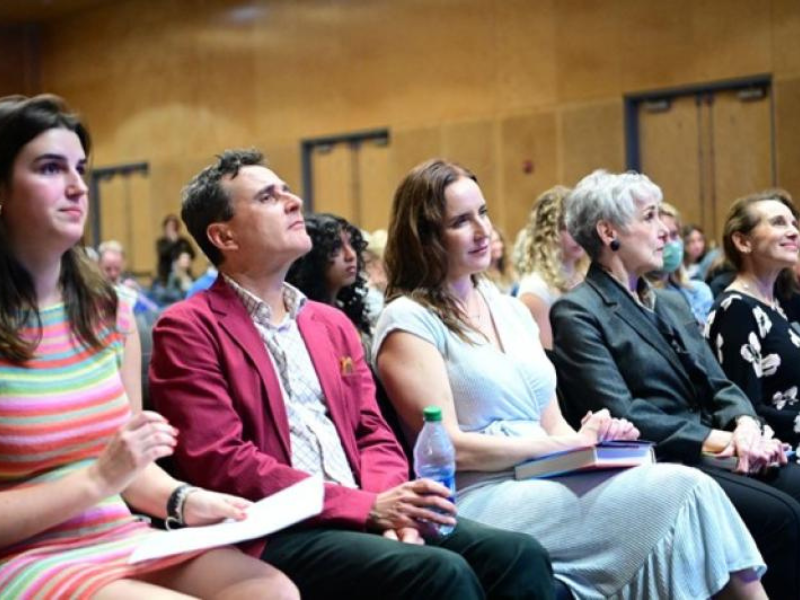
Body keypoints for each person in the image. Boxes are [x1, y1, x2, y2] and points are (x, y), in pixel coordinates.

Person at [148, 149, 556, 600]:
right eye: (268, 197)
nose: (294, 201)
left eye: (286, 190)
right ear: (223, 236)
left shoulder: (330, 323)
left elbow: (373, 432)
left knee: (519, 555)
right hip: (280, 528)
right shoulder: (188, 328)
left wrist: (388, 508)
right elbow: (223, 462)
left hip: (368, 506)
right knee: (441, 574)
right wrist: (366, 508)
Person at [373, 158, 767, 600]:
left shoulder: (509, 309)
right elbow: (450, 447)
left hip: (544, 473)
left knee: (683, 487)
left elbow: (555, 426)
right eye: (461, 221)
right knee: (686, 489)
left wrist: (593, 438)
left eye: (482, 213)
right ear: (425, 236)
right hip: (481, 493)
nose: (483, 230)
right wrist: (562, 446)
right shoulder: (408, 319)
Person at [0, 95, 297, 599]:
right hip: (25, 556)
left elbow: (131, 466)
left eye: (80, 169)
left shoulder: (109, 310)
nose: (76, 187)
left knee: (271, 592)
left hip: (121, 538)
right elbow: (107, 472)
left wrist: (186, 499)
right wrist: (96, 481)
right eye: (50, 168)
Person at [549, 169, 800, 599]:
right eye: (649, 217)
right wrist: (720, 439)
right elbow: (623, 411)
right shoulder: (577, 311)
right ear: (608, 232)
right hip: (665, 459)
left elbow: (719, 383)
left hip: (716, 446)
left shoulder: (669, 299)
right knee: (786, 515)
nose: (665, 230)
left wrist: (743, 425)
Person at [705, 189, 800, 445]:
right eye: (779, 223)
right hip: (774, 452)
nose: (793, 231)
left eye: (794, 223)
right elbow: (747, 411)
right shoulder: (736, 310)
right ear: (743, 242)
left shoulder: (776, 305)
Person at [516, 186, 586, 349]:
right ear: (548, 233)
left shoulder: (584, 275)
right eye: (565, 227)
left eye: (579, 225)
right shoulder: (535, 289)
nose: (577, 233)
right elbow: (548, 358)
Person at [286, 212, 372, 346]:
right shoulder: (298, 318)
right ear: (313, 257)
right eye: (336, 248)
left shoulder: (348, 309)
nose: (350, 255)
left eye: (351, 244)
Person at [646, 203, 714, 328]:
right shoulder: (638, 298)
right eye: (661, 235)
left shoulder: (699, 292)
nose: (670, 243)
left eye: (674, 234)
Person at [155, 213, 195, 286]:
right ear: (165, 228)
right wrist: (172, 242)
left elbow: (192, 255)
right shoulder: (161, 242)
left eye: (174, 227)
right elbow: (162, 253)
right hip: (166, 275)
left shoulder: (183, 241)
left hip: (183, 274)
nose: (172, 229)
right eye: (169, 227)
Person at [484, 227, 517, 295]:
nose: (498, 246)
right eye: (492, 243)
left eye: (498, 241)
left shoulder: (507, 267)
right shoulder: (480, 276)